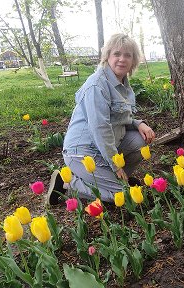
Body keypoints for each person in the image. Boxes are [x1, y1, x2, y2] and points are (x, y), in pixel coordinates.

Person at [46, 33, 155, 205]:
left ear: (134, 60)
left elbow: (118, 118)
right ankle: (67, 183)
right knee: (125, 199)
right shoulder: (97, 85)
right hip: (83, 151)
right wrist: (116, 165)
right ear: (107, 56)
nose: (122, 59)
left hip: (102, 146)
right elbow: (100, 128)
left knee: (138, 141)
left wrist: (138, 123)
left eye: (128, 55)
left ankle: (116, 181)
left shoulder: (123, 85)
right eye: (117, 54)